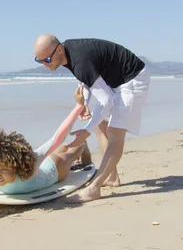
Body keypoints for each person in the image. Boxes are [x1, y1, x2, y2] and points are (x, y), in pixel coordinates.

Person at [33, 34, 151, 203]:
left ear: (59, 49)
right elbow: (88, 78)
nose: (45, 65)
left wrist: (85, 132)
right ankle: (111, 177)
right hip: (115, 81)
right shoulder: (67, 54)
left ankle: (94, 188)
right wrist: (85, 103)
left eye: (47, 60)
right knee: (100, 126)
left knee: (115, 135)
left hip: (132, 79)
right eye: (40, 61)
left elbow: (106, 100)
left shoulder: (79, 61)